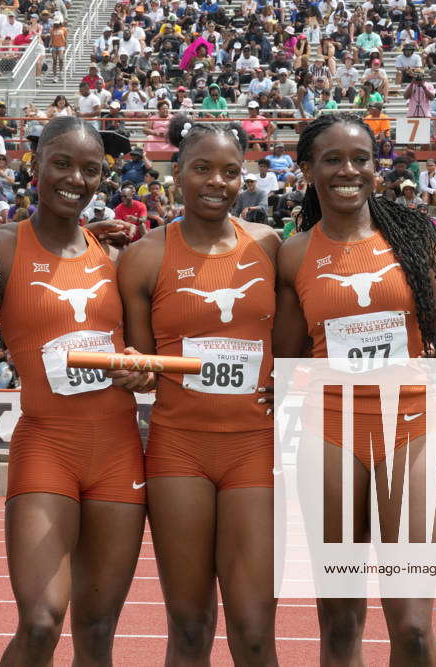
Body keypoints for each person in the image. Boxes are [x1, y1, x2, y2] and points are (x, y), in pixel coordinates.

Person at [273, 112, 436, 664]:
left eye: (360, 159)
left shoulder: (409, 239)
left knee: (411, 627)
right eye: (333, 159)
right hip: (330, 438)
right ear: (308, 168)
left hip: (409, 430)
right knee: (341, 623)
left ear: (375, 168)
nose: (348, 170)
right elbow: (283, 360)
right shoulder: (294, 254)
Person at [0, 116, 152, 665]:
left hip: (117, 450)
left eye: (90, 170)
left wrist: (140, 370)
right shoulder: (2, 248)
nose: (75, 179)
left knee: (98, 629)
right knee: (39, 623)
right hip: (46, 448)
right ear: (35, 165)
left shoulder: (115, 256)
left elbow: (140, 350)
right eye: (62, 163)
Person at [118, 115, 280, 664]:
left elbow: (298, 343)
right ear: (177, 174)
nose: (217, 182)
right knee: (189, 628)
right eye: (202, 169)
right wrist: (139, 370)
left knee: (255, 630)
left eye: (230, 172)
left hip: (255, 448)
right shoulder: (145, 257)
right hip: (178, 448)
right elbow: (145, 362)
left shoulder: (271, 246)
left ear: (245, 177)